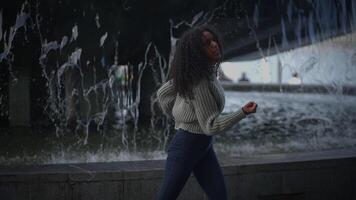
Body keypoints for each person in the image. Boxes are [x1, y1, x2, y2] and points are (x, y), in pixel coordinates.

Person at [156, 25, 258, 200]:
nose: (214, 45)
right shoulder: (200, 82)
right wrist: (242, 112)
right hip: (187, 146)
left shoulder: (202, 74)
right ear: (197, 51)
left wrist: (182, 114)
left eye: (213, 40)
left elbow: (163, 93)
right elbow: (211, 125)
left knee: (219, 196)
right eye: (206, 43)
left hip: (202, 146)